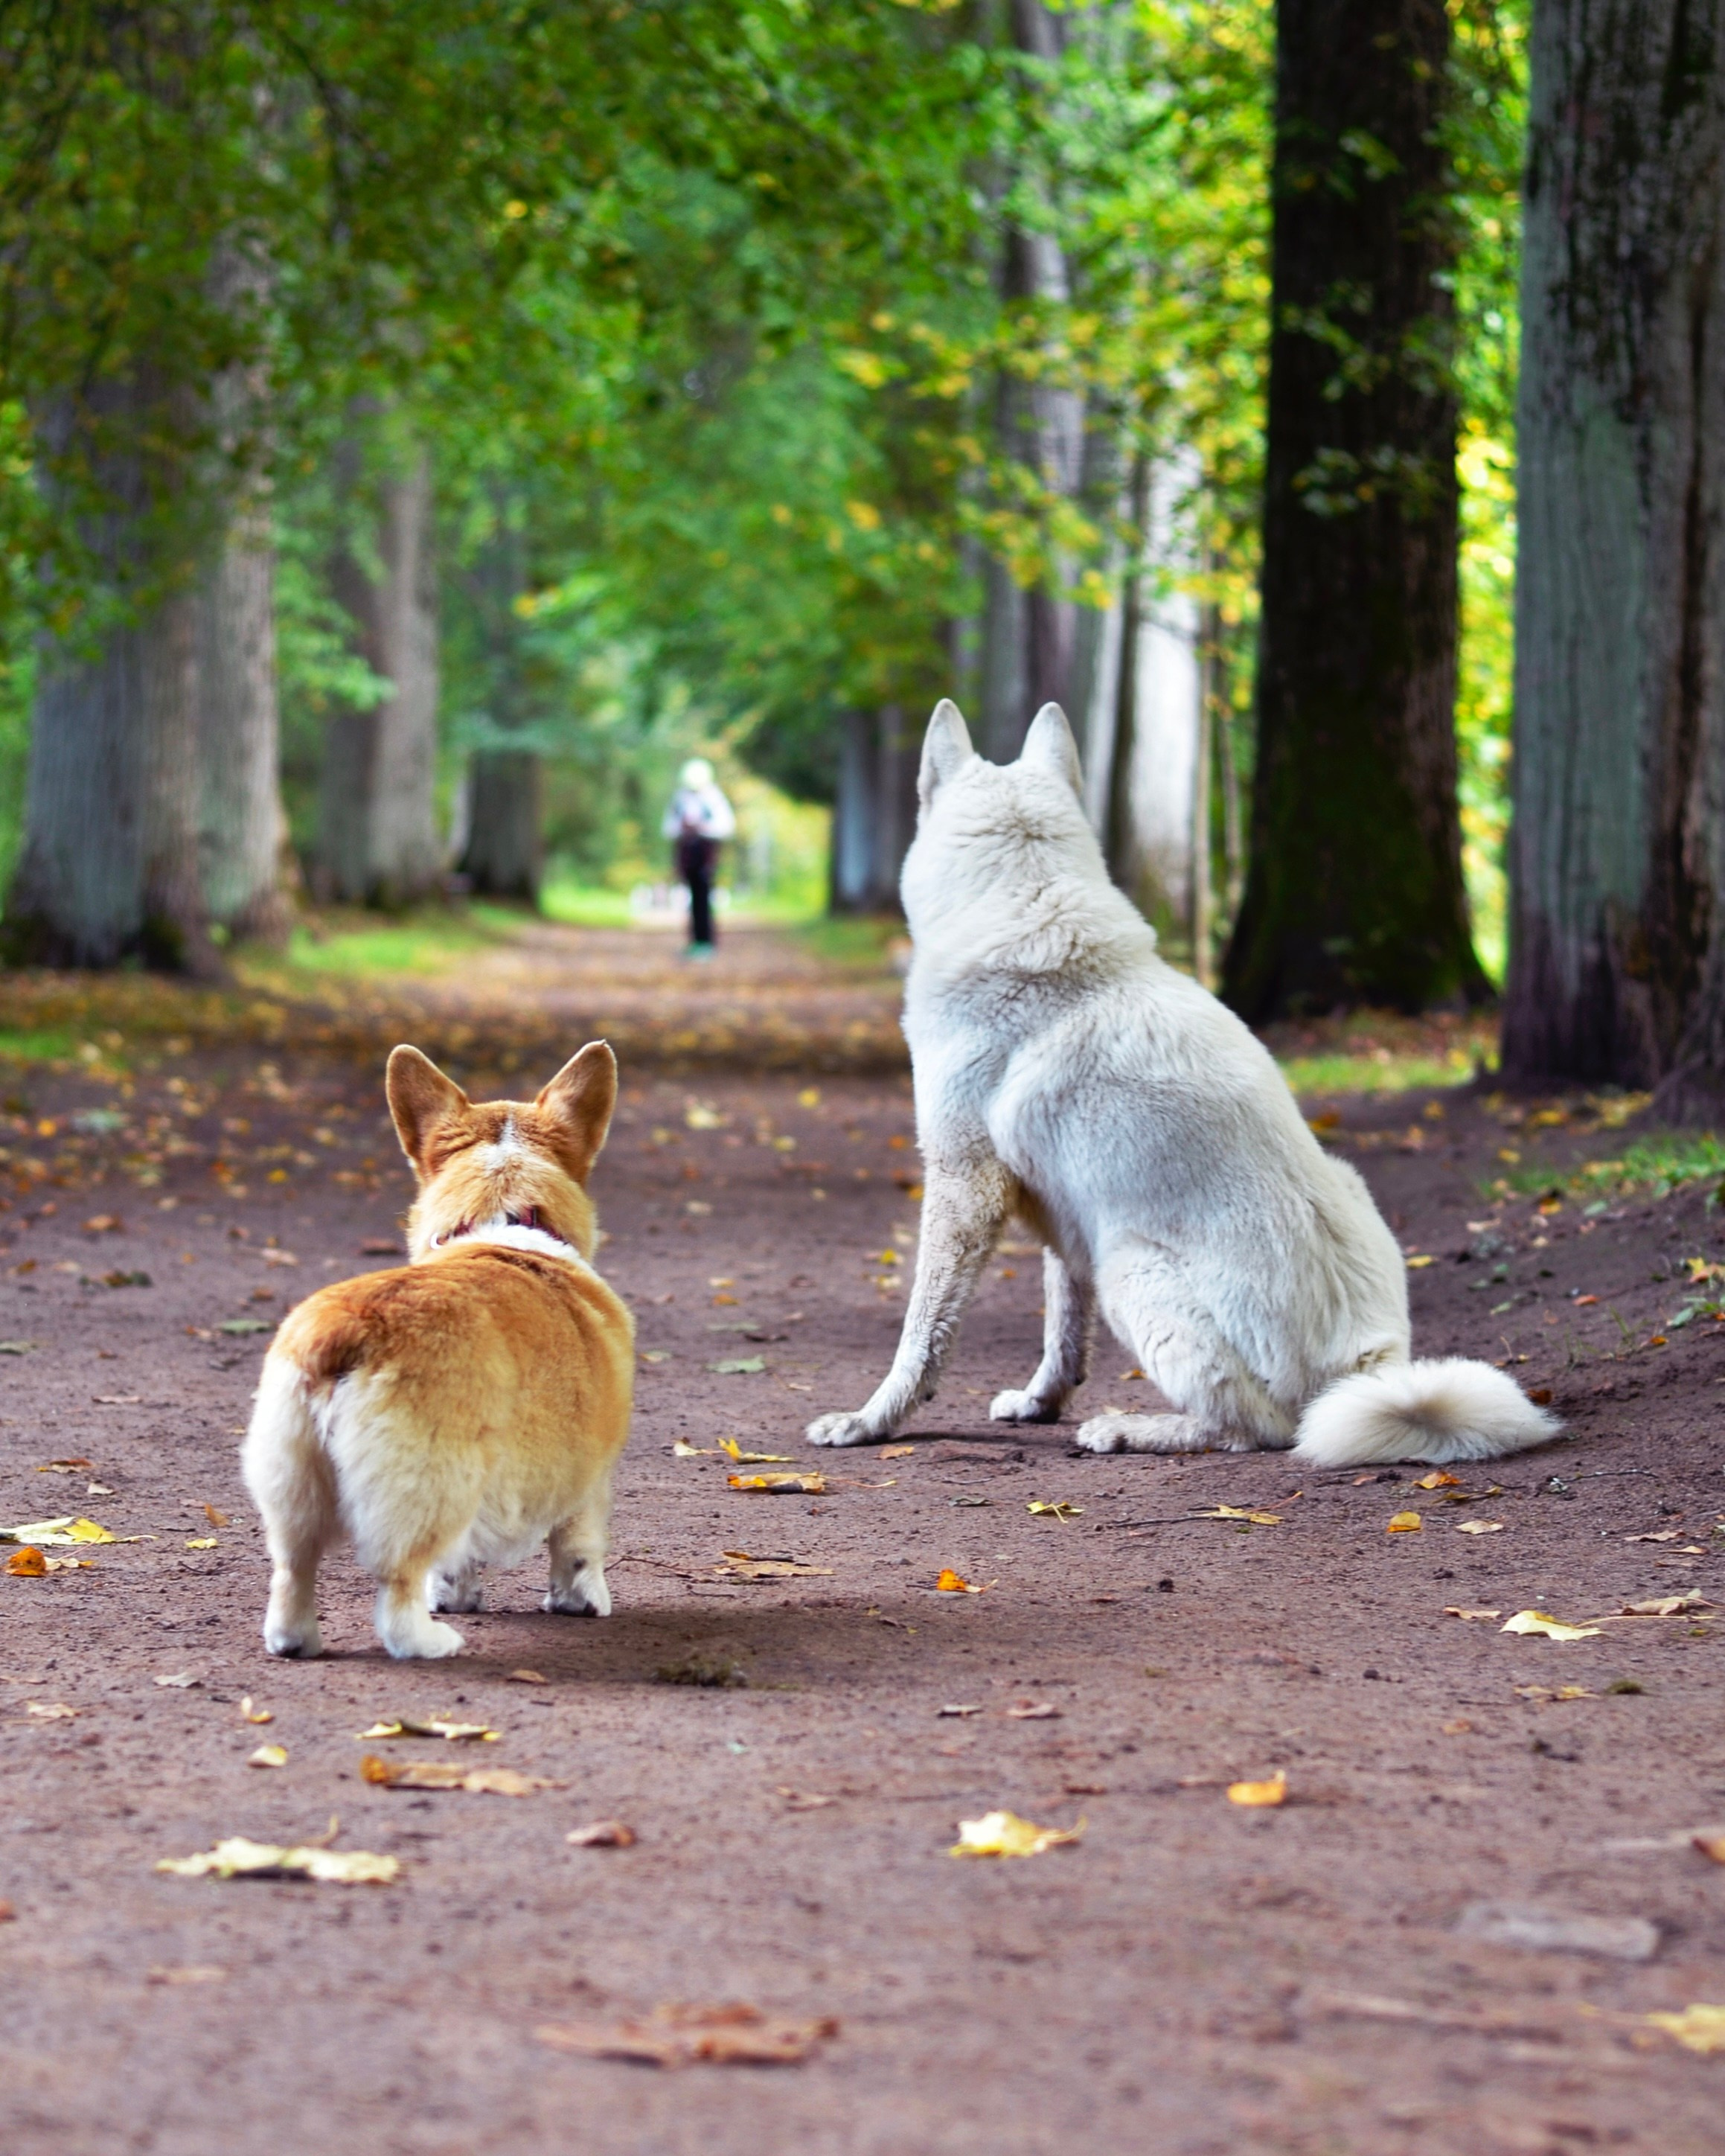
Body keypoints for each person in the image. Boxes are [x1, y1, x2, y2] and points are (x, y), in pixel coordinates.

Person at [661, 757, 735, 957]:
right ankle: (694, 941)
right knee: (690, 898)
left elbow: (726, 827)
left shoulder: (714, 798)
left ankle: (706, 941)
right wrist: (683, 829)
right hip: (687, 855)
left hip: (706, 855)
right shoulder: (680, 799)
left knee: (704, 897)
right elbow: (668, 828)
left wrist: (703, 828)